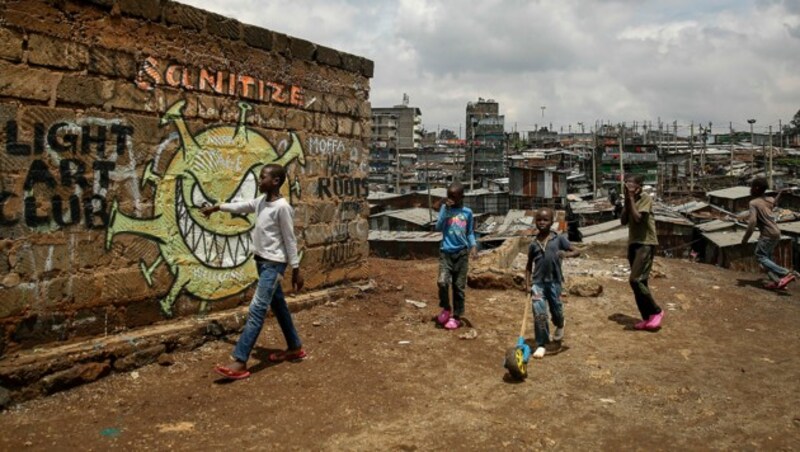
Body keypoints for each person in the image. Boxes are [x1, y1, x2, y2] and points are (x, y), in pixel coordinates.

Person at [201, 164, 305, 380]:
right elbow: (241, 206)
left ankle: (240, 360)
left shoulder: (282, 208)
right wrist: (217, 208)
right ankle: (294, 347)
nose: (259, 181)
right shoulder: (261, 202)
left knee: (257, 308)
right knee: (278, 306)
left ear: (275, 181)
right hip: (262, 263)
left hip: (274, 265)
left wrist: (296, 269)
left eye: (262, 177)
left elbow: (290, 239)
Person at [525, 208, 580, 359]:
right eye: (539, 220)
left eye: (546, 220)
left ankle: (560, 324)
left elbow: (577, 251)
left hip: (554, 282)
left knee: (557, 311)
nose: (542, 223)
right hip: (538, 283)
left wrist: (566, 254)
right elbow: (529, 266)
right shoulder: (533, 244)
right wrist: (528, 284)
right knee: (540, 314)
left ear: (552, 222)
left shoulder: (559, 239)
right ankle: (542, 343)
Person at [620, 174, 663, 331]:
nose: (628, 186)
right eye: (627, 183)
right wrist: (626, 199)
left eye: (631, 184)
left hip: (646, 243)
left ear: (639, 186)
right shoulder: (628, 199)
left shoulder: (645, 198)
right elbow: (623, 221)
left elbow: (638, 218)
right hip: (634, 243)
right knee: (640, 283)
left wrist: (631, 198)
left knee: (635, 280)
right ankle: (647, 318)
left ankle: (657, 311)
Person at [434, 182, 478, 330]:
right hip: (446, 252)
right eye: (448, 196)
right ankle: (446, 308)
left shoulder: (467, 213)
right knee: (442, 282)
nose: (450, 199)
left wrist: (473, 246)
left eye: (453, 197)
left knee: (458, 287)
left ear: (461, 197)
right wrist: (445, 210)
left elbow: (470, 232)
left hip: (461, 254)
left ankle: (457, 316)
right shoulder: (444, 210)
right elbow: (438, 227)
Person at [741, 178, 796, 289]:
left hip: (767, 234)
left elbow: (752, 222)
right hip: (776, 232)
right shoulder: (769, 199)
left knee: (760, 256)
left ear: (756, 188)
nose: (750, 189)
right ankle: (778, 281)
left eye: (752, 187)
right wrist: (780, 193)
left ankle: (786, 273)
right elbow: (774, 203)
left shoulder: (753, 203)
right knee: (767, 260)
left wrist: (745, 239)